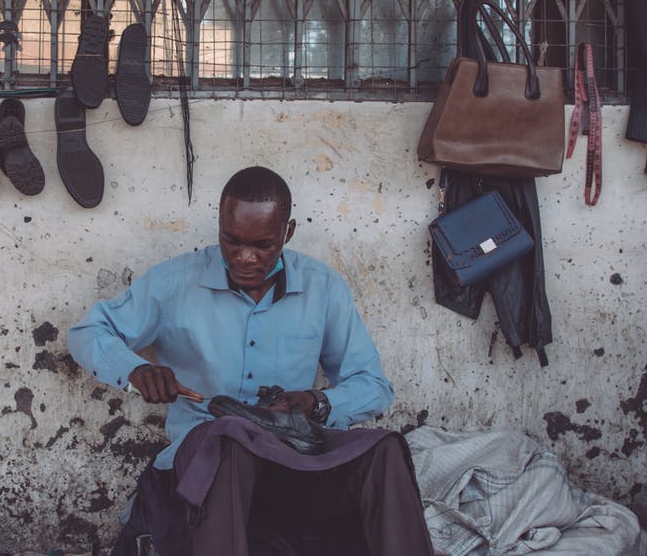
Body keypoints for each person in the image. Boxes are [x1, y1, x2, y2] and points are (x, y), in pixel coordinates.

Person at [68, 166, 433, 555]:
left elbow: (373, 385)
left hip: (292, 456)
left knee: (384, 448)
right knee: (231, 439)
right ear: (220, 226)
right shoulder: (174, 283)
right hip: (205, 458)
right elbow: (88, 331)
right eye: (231, 241)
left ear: (287, 233)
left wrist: (315, 403)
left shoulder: (323, 288)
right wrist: (135, 370)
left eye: (262, 245)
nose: (244, 257)